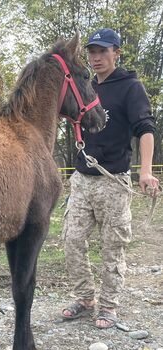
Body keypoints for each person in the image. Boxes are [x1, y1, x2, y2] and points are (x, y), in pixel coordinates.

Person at [62, 28, 159, 328]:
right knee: (71, 239)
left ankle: (108, 306)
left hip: (113, 180)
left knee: (112, 246)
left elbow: (145, 129)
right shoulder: (86, 86)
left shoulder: (131, 87)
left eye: (103, 51)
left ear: (116, 52)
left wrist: (145, 170)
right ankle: (85, 298)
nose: (96, 57)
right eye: (92, 51)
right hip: (81, 178)